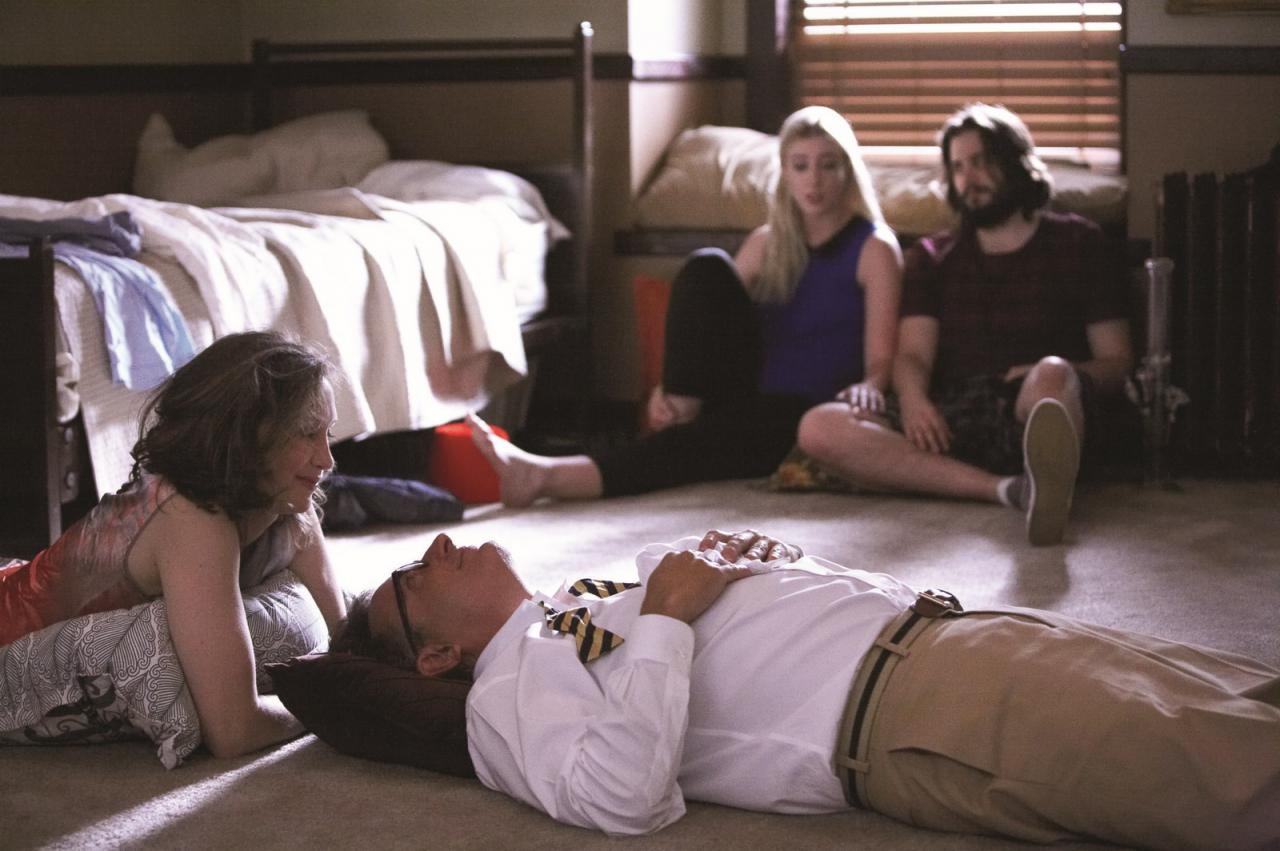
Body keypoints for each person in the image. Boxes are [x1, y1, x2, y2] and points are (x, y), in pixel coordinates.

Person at [332, 529, 1279, 850]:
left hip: (950, 628)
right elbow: (619, 795)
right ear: (435, 657)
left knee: (1242, 697)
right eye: (416, 572)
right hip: (914, 709)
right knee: (1227, 771)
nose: (442, 543)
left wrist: (765, 560)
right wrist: (667, 612)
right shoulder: (505, 694)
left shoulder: (576, 600)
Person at [466, 105, 902, 505]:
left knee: (692, 446)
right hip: (748, 393)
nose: (814, 180)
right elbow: (713, 323)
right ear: (785, 172)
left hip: (809, 410)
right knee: (706, 267)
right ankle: (678, 403)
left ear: (848, 170)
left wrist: (872, 385)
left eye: (828, 165)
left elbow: (881, 358)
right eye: (801, 165)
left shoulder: (875, 248)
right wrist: (670, 385)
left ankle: (547, 476)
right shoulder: (766, 243)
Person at [796, 103, 1134, 546]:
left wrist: (1053, 375)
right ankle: (1005, 489)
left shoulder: (1079, 242)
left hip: (1035, 406)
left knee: (1052, 374)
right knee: (820, 425)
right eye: (957, 167)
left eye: (980, 162)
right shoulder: (933, 257)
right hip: (956, 414)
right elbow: (913, 354)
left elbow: (1117, 362)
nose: (968, 178)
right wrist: (914, 401)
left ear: (1015, 163)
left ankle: (1048, 475)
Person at [0, 330, 346, 758]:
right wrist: (327, 703)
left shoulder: (285, 501)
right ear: (244, 434)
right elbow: (235, 730)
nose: (327, 459)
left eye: (327, 433)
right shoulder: (192, 518)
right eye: (307, 434)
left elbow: (344, 636)